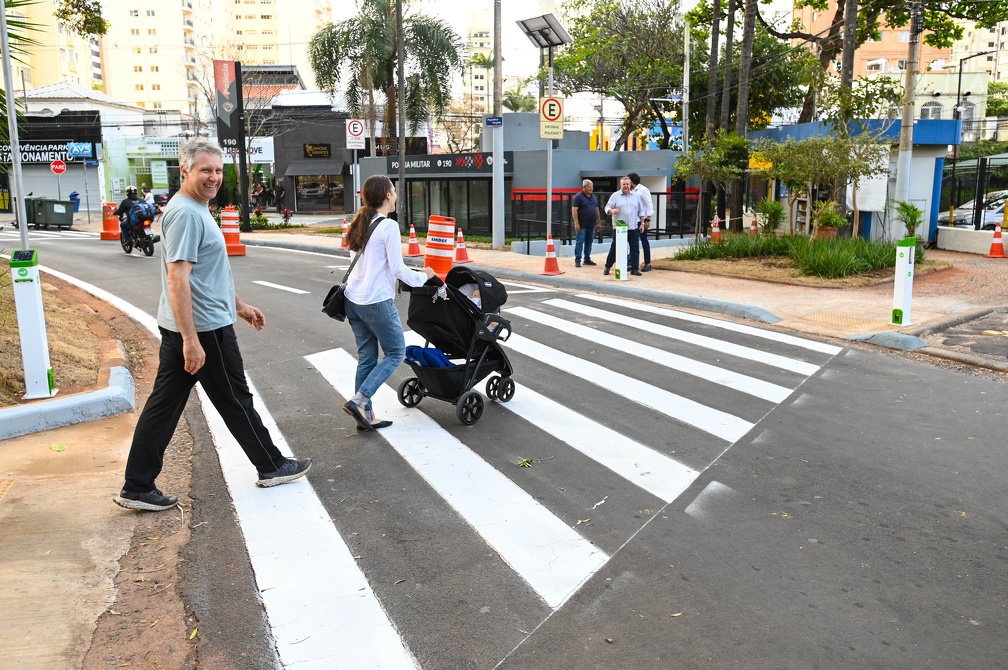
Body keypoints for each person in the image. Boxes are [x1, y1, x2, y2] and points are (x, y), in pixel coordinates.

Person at [114, 138, 311, 512]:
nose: (214, 177)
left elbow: (208, 274)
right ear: (185, 171)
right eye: (205, 169)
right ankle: (271, 465)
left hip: (192, 326)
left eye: (218, 170)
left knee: (165, 406)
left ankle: (137, 485)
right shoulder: (187, 213)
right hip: (203, 330)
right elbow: (178, 279)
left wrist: (238, 305)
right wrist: (192, 339)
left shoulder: (194, 208)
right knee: (236, 399)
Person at [342, 175, 436, 432]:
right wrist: (424, 277)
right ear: (386, 196)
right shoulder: (388, 226)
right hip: (375, 302)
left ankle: (366, 415)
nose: (396, 195)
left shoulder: (360, 222)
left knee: (367, 358)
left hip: (353, 300)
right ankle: (360, 400)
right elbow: (397, 269)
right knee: (396, 352)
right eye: (393, 191)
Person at [603, 176, 647, 277]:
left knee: (635, 248)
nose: (626, 186)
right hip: (619, 228)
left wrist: (643, 223)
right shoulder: (615, 196)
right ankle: (607, 266)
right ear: (620, 185)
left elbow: (641, 211)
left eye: (627, 184)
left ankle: (634, 269)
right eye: (624, 184)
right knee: (614, 248)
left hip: (633, 227)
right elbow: (607, 207)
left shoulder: (636, 196)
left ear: (630, 184)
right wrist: (611, 211)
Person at [627, 172, 654, 271]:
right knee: (632, 241)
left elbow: (649, 205)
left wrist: (648, 220)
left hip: (641, 220)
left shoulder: (643, 190)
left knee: (644, 241)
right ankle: (631, 262)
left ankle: (648, 263)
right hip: (634, 220)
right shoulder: (631, 191)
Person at [571, 179, 602, 268]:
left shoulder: (594, 197)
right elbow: (574, 210)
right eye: (589, 187)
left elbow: (596, 209)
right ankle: (578, 259)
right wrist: (576, 223)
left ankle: (587, 259)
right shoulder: (578, 197)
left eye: (592, 187)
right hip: (582, 225)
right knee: (579, 242)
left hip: (591, 225)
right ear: (584, 187)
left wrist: (599, 222)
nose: (591, 189)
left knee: (589, 242)